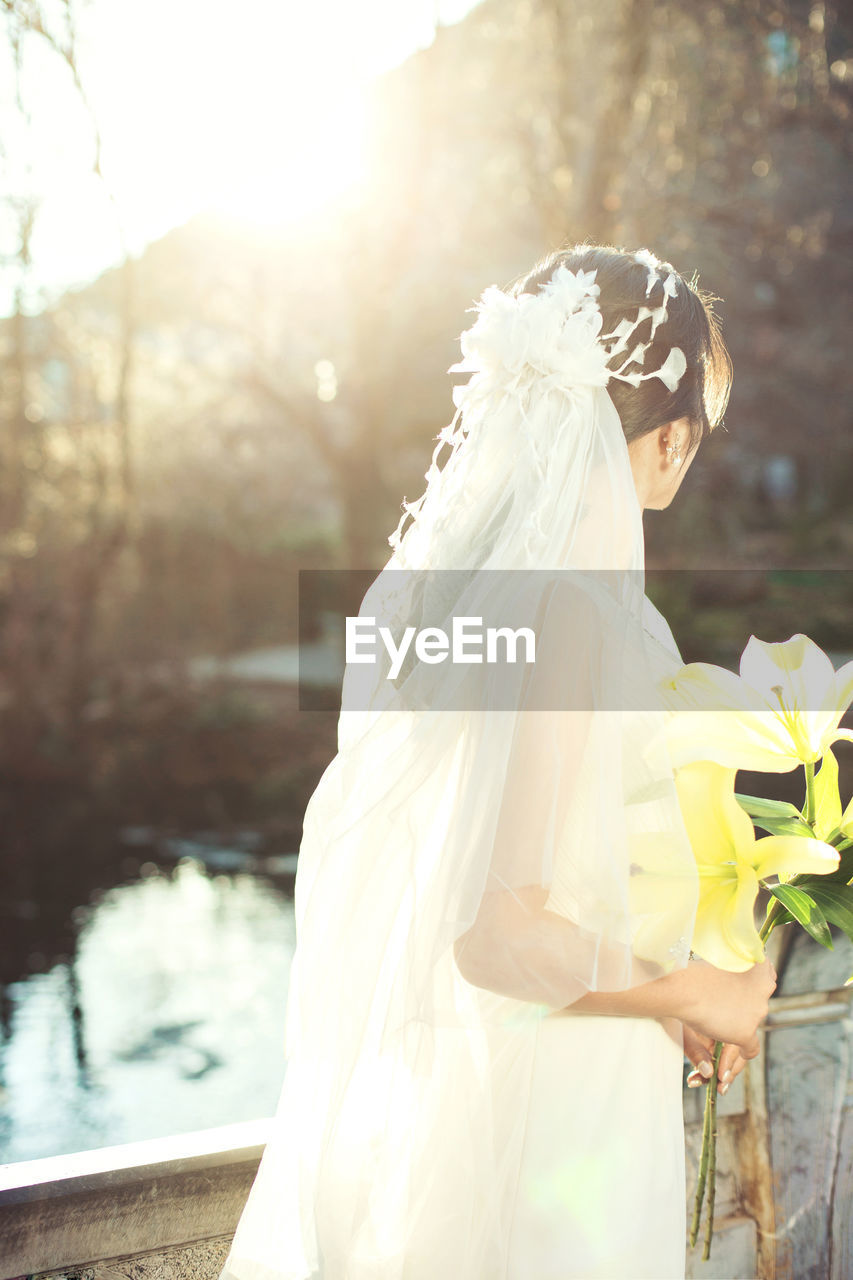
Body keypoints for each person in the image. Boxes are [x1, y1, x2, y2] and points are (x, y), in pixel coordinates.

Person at [220, 244, 777, 1280]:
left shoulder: (489, 600)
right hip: (549, 1114)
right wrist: (692, 987)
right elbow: (501, 933)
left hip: (522, 1063)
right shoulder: (568, 609)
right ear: (668, 435)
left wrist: (658, 992)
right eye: (696, 425)